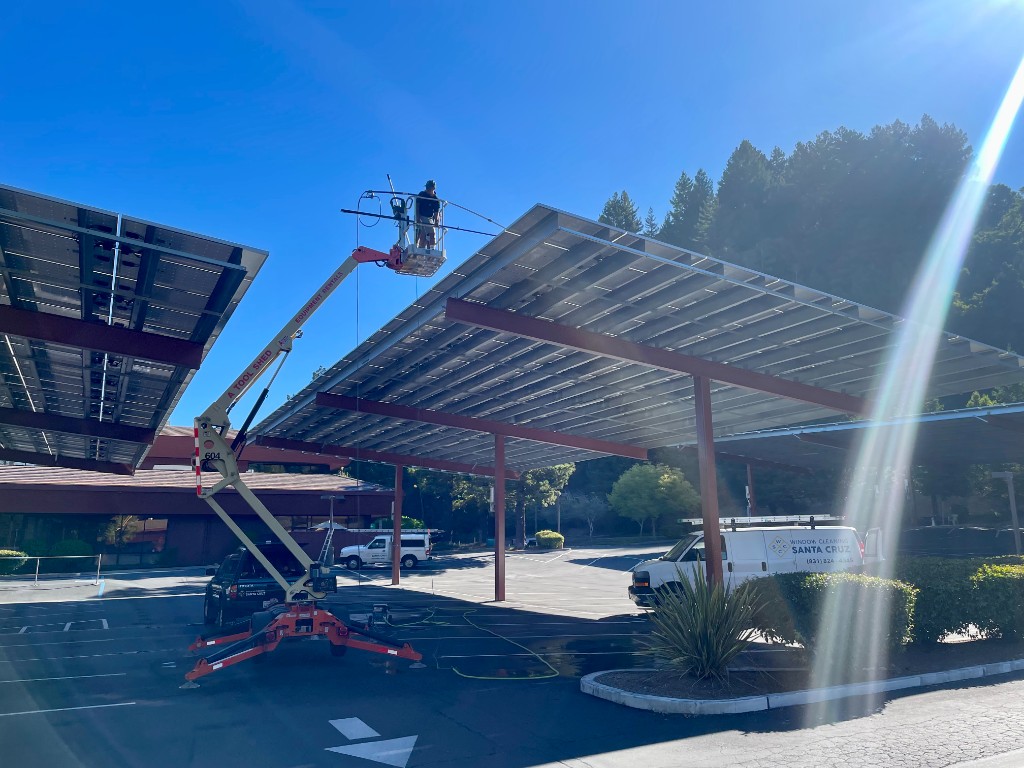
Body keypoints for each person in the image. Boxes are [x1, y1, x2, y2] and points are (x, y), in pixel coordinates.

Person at [415, 180, 440, 249]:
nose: (427, 189)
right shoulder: (422, 194)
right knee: (422, 233)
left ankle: (431, 248)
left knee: (432, 233)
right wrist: (417, 217)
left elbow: (436, 212)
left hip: (429, 218)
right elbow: (417, 206)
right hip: (421, 215)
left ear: (433, 188)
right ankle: (419, 247)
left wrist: (436, 221)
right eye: (427, 187)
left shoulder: (436, 200)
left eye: (429, 187)